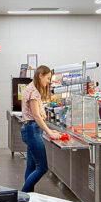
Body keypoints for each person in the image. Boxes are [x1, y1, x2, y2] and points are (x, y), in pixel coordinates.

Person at [19, 65, 63, 194]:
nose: (48, 81)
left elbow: (36, 116)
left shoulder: (30, 88)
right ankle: (23, 194)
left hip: (30, 128)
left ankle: (28, 196)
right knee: (42, 167)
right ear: (40, 76)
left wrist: (49, 129)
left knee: (31, 166)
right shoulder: (34, 92)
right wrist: (49, 132)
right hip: (32, 130)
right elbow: (36, 116)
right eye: (48, 78)